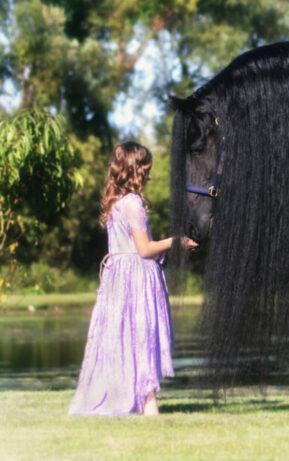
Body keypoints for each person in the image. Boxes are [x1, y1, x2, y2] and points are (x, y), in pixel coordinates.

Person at [69, 141, 198, 416]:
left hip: (117, 279)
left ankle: (136, 398)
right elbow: (144, 249)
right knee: (142, 337)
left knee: (122, 337)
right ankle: (148, 403)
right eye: (146, 170)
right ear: (135, 170)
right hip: (136, 280)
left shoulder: (114, 202)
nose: (149, 176)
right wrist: (177, 241)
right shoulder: (133, 203)